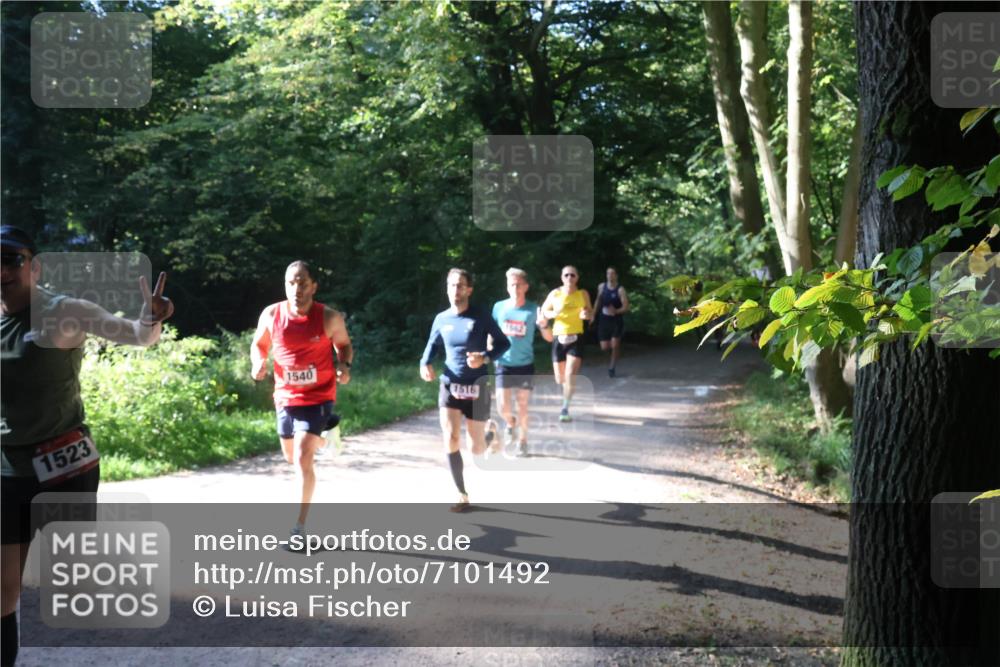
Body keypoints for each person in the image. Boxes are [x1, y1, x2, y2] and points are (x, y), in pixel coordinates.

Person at [1, 226, 174, 667]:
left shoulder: (64, 311)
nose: (2, 271)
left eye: (12, 260)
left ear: (34, 266)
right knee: (3, 592)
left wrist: (150, 318)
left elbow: (136, 335)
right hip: (7, 471)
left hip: (64, 467)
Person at [251, 260, 352, 539]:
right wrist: (258, 362)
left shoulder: (329, 318)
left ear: (313, 286)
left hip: (319, 395)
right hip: (285, 396)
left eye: (303, 283)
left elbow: (343, 345)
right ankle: (327, 435)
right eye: (291, 283)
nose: (296, 289)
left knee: (302, 457)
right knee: (289, 456)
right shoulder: (272, 315)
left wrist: (344, 366)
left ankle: (299, 527)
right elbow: (259, 345)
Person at [420, 268, 509, 512]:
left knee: (476, 448)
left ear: (469, 289)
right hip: (450, 383)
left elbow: (503, 343)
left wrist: (485, 357)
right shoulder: (442, 319)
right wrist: (424, 362)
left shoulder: (480, 316)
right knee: (450, 437)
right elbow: (432, 344)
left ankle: (490, 435)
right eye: (451, 285)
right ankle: (461, 493)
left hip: (477, 386)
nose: (455, 290)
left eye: (460, 286)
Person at [490, 268, 553, 457]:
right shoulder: (499, 307)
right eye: (511, 285)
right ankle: (511, 423)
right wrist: (489, 350)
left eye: (518, 285)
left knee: (523, 405)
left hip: (525, 364)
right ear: (507, 286)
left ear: (526, 287)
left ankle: (523, 443)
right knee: (502, 406)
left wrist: (543, 325)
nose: (515, 288)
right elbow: (490, 333)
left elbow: (549, 338)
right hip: (503, 363)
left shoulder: (534, 309)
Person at [540, 265, 593, 422]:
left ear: (577, 278)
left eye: (573, 275)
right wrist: (553, 313)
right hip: (559, 337)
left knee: (570, 374)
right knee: (560, 378)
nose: (569, 278)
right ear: (562, 278)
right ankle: (566, 394)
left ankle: (565, 408)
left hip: (576, 337)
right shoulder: (555, 294)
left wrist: (586, 314)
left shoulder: (582, 294)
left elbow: (589, 312)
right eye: (566, 275)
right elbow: (544, 311)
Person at [595, 266, 629, 377]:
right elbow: (598, 301)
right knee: (604, 347)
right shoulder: (601, 287)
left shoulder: (620, 289)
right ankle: (613, 357)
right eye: (608, 273)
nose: (610, 275)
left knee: (614, 345)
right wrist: (592, 314)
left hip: (616, 320)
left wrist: (616, 311)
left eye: (612, 273)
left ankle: (612, 366)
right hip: (604, 319)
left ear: (616, 275)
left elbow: (626, 307)